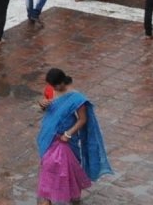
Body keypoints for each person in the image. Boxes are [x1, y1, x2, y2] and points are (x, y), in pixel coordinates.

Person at [36, 68, 111, 205]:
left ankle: (70, 195)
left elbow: (82, 119)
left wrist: (68, 134)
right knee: (48, 167)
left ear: (62, 82)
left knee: (68, 171)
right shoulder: (51, 90)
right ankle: (48, 196)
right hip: (49, 139)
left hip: (66, 142)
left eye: (55, 86)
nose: (53, 88)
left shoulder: (77, 99)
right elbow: (48, 109)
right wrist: (42, 104)